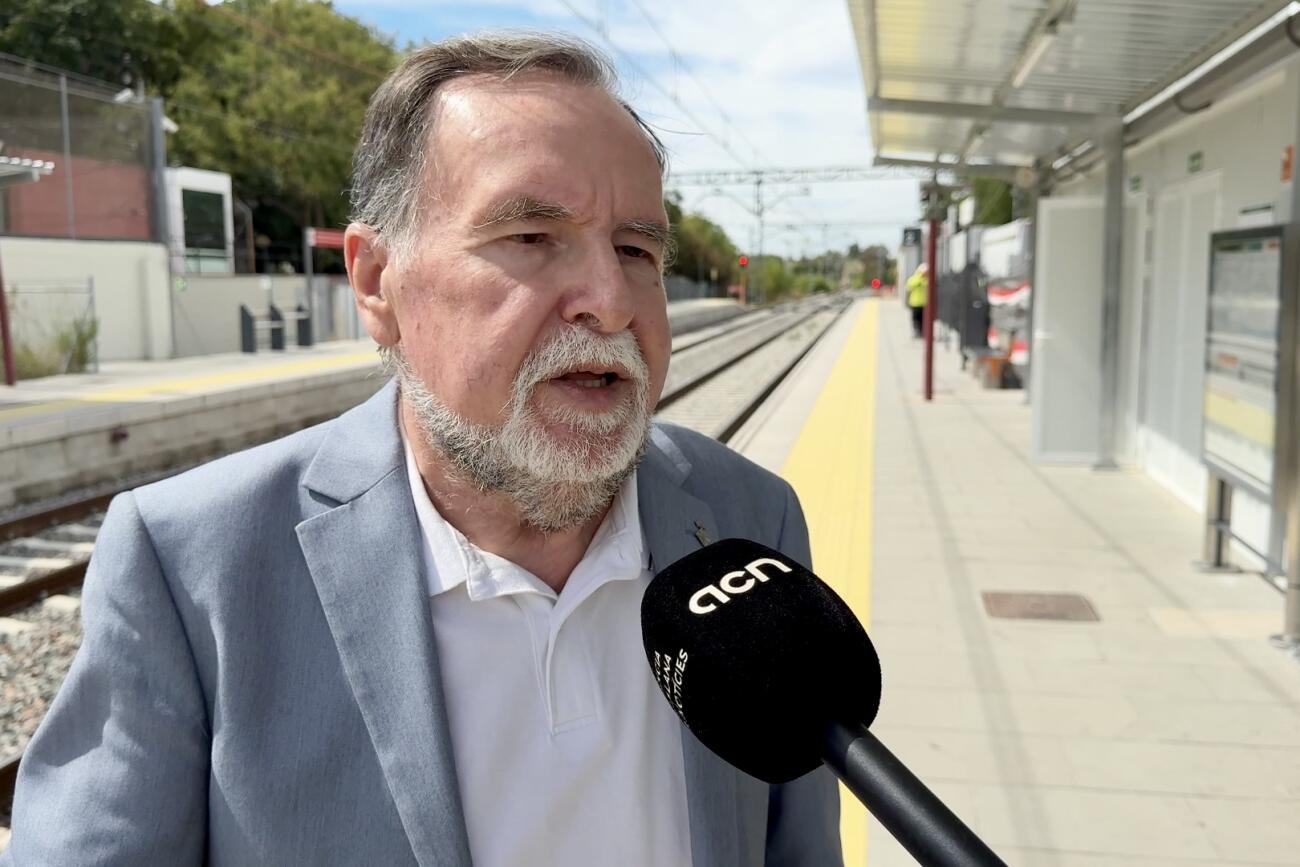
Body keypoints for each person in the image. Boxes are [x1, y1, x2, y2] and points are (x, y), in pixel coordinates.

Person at [2, 32, 841, 867]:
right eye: (531, 237)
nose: (612, 302)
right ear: (377, 282)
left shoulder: (750, 518)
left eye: (637, 248)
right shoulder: (192, 567)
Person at [906, 262, 928, 338]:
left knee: (923, 320)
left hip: (924, 303)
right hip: (915, 303)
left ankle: (922, 332)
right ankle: (916, 332)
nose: (925, 273)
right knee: (915, 319)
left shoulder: (926, 279)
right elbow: (909, 286)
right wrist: (919, 279)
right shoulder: (914, 278)